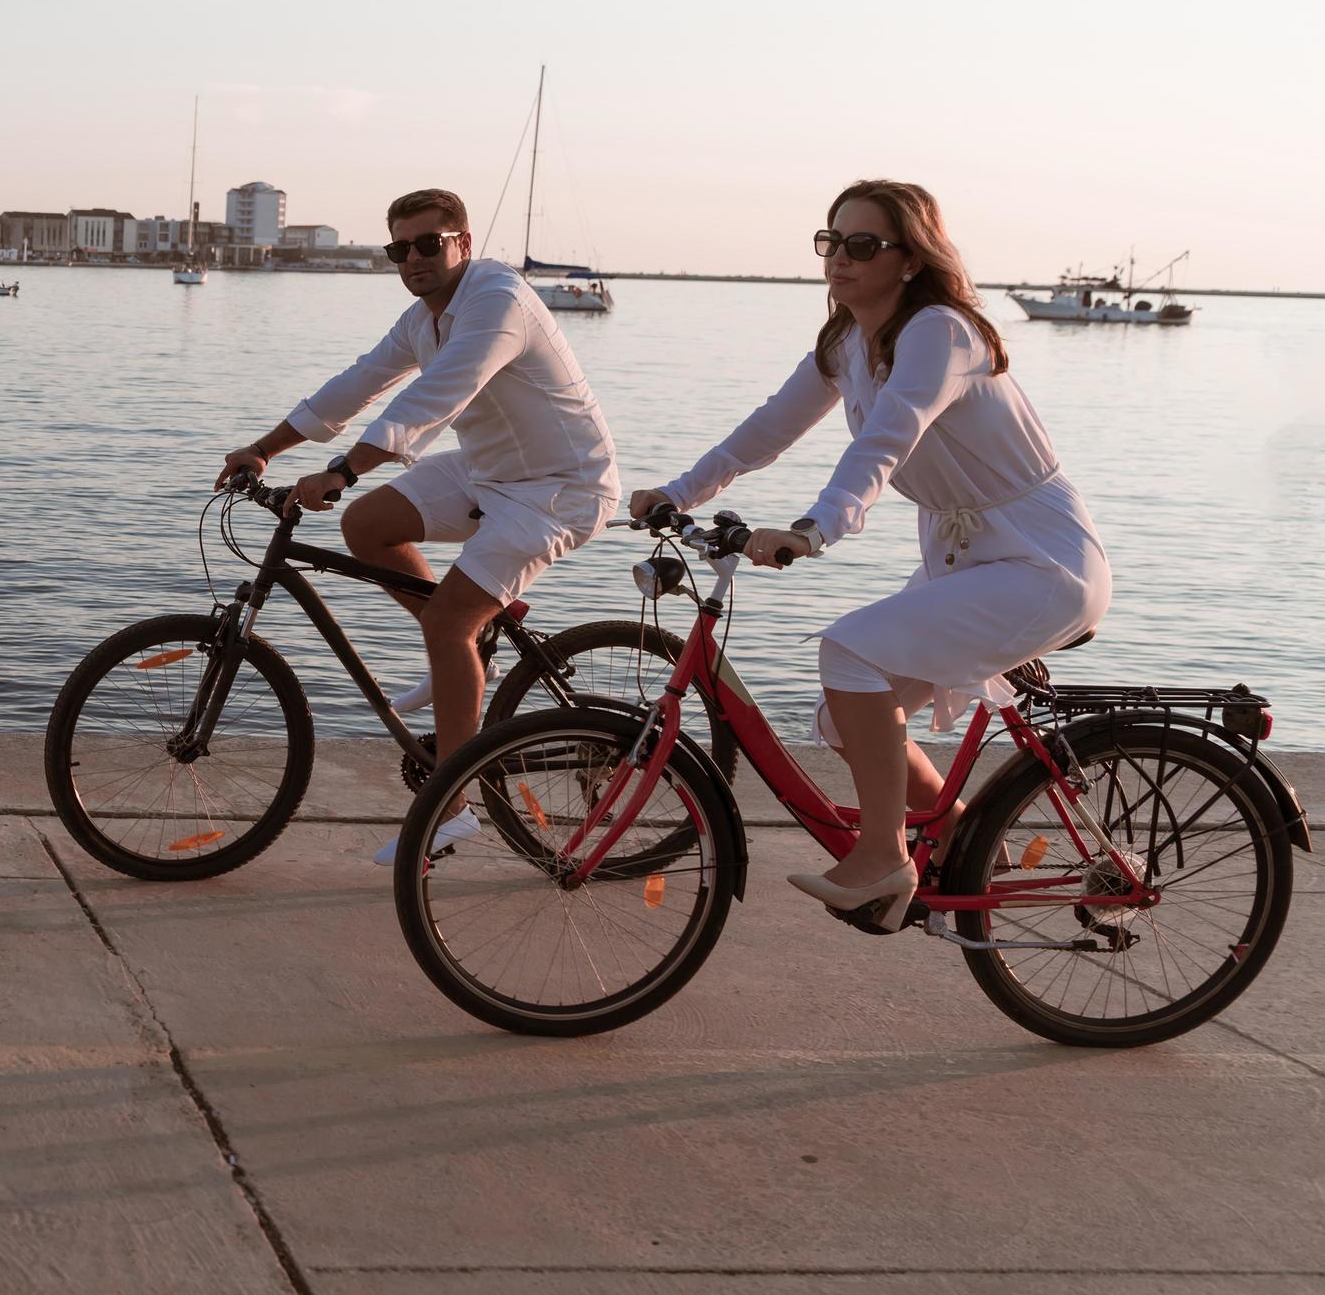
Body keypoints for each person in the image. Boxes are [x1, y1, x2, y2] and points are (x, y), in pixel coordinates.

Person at [630, 179, 1108, 932]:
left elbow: (891, 434)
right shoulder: (846, 341)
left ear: (911, 259)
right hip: (967, 557)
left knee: (846, 652)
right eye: (832, 242)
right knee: (840, 716)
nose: (840, 260)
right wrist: (677, 490)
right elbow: (767, 429)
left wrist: (817, 527)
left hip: (1039, 562)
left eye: (862, 245)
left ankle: (884, 855)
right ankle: (951, 839)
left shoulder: (940, 332)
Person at [216, 188, 622, 863]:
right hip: (489, 470)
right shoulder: (422, 319)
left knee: (446, 623)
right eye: (399, 248)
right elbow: (359, 382)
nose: (414, 257)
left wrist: (343, 470)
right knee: (368, 526)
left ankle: (451, 805)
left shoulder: (498, 299)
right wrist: (265, 448)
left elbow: (438, 396)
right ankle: (467, 646)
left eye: (428, 243)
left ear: (462, 242)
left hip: (561, 487)